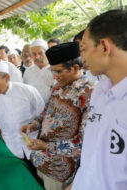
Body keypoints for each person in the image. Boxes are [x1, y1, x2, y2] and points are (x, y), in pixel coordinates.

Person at [21, 42, 93, 190]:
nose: (55, 76)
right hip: (41, 160)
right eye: (52, 71)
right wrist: (34, 124)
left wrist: (47, 146)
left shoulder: (89, 93)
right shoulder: (58, 86)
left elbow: (84, 145)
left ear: (75, 68)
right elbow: (47, 111)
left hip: (59, 170)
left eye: (58, 71)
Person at [70, 9, 127, 190]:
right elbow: (94, 152)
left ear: (104, 46)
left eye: (84, 49)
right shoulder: (100, 91)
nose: (83, 58)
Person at [23, 39, 54, 103]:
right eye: (34, 54)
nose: (37, 57)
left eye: (40, 53)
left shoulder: (55, 70)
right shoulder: (28, 71)